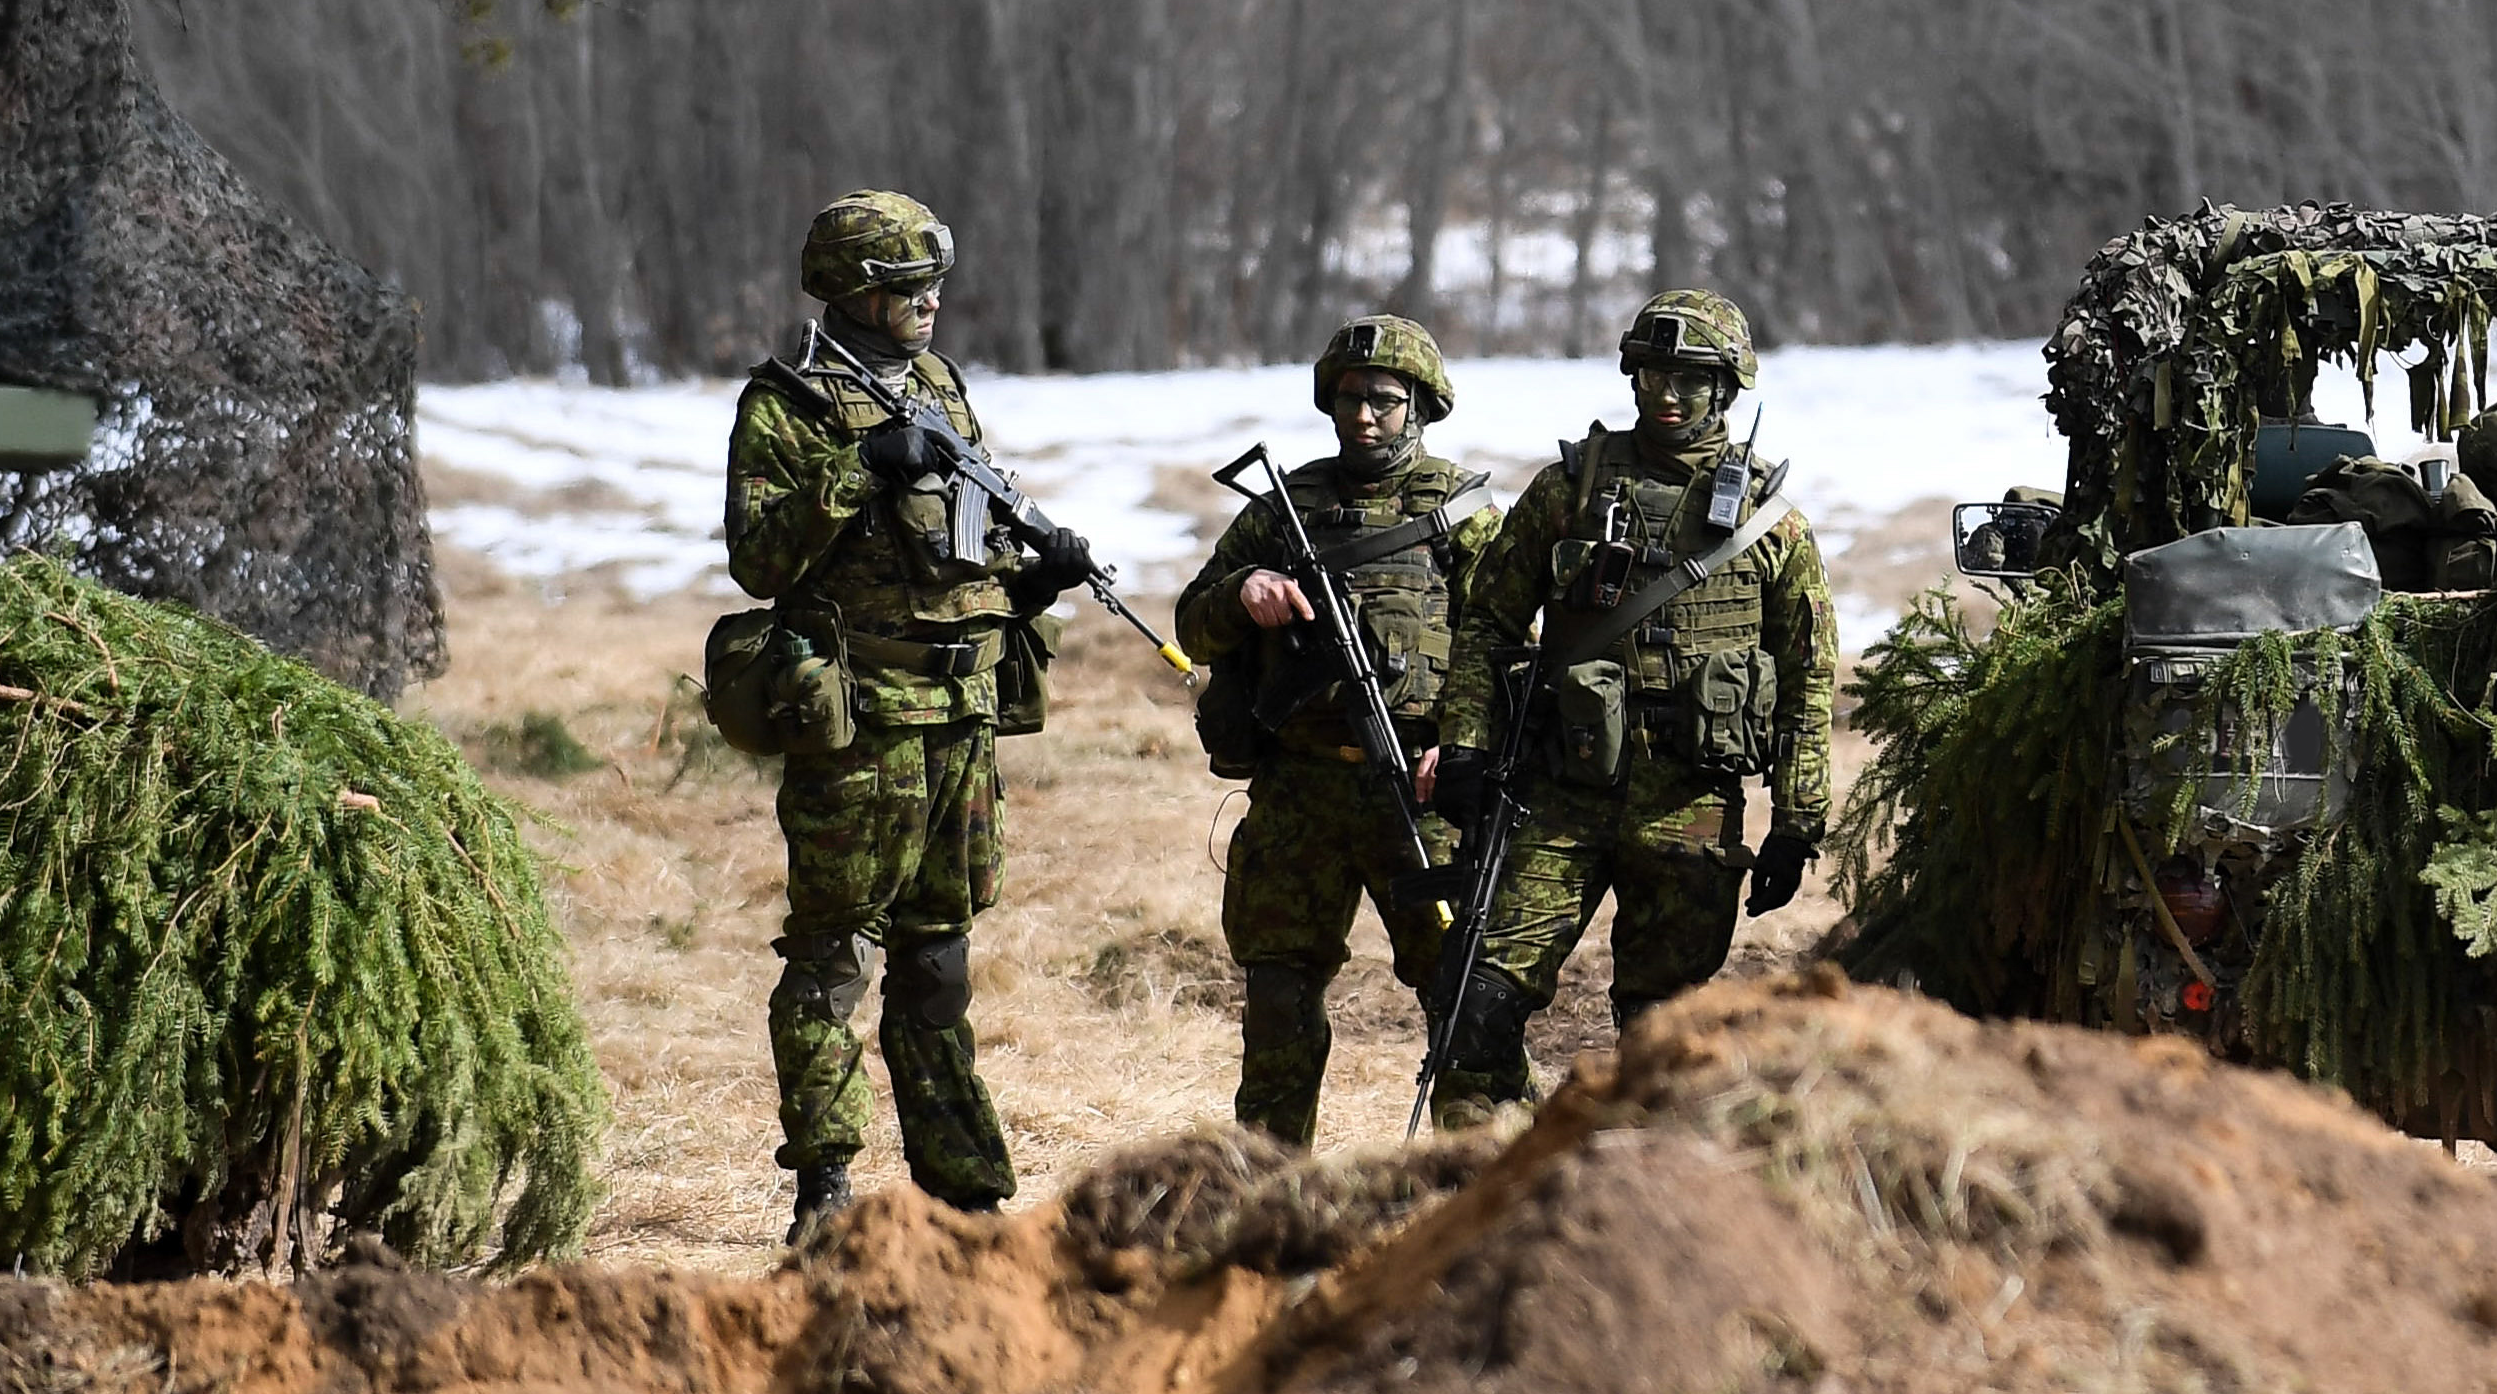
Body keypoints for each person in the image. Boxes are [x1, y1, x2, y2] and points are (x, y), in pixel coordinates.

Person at [725, 190, 1096, 1245]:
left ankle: (963, 1185)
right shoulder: (787, 402)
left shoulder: (937, 384)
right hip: (863, 722)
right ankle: (824, 1185)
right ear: (851, 290)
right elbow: (757, 557)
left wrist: (1034, 580)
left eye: (931, 282)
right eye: (902, 286)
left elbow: (959, 547)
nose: (926, 301)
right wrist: (857, 468)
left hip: (959, 713)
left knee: (937, 957)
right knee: (834, 954)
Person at [1413, 289, 1834, 1129]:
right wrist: (1463, 742)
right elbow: (1490, 618)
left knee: (1665, 1031)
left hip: (1688, 806)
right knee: (1475, 1000)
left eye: (1688, 378)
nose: (1666, 394)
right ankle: (1474, 1189)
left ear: (1726, 387)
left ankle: (1644, 1205)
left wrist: (1799, 821)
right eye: (1650, 374)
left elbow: (1808, 678)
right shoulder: (1569, 489)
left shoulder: (1769, 524)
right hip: (1558, 790)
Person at [1172, 316, 1498, 1146]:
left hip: (1418, 793)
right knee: (1278, 997)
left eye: (1384, 401)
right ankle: (1268, 1191)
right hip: (1298, 792)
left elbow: (1505, 643)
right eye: (1349, 399)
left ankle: (1479, 1180)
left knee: (1464, 992)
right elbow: (1194, 621)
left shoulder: (1461, 510)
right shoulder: (1286, 507)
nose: (1364, 416)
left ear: (1420, 406)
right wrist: (1246, 590)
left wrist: (1456, 744)